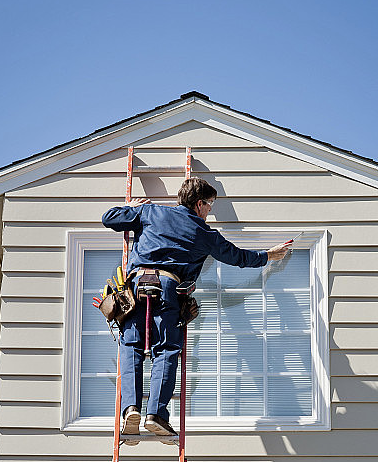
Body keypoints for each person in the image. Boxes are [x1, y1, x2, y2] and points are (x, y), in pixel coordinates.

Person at [101, 178, 292, 442]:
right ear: (199, 203)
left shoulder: (151, 211)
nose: (211, 210)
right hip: (167, 288)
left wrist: (130, 206)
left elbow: (109, 218)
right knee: (166, 350)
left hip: (134, 289)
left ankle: (130, 409)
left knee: (131, 346)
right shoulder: (205, 234)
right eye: (210, 204)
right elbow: (238, 257)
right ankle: (155, 414)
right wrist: (269, 255)